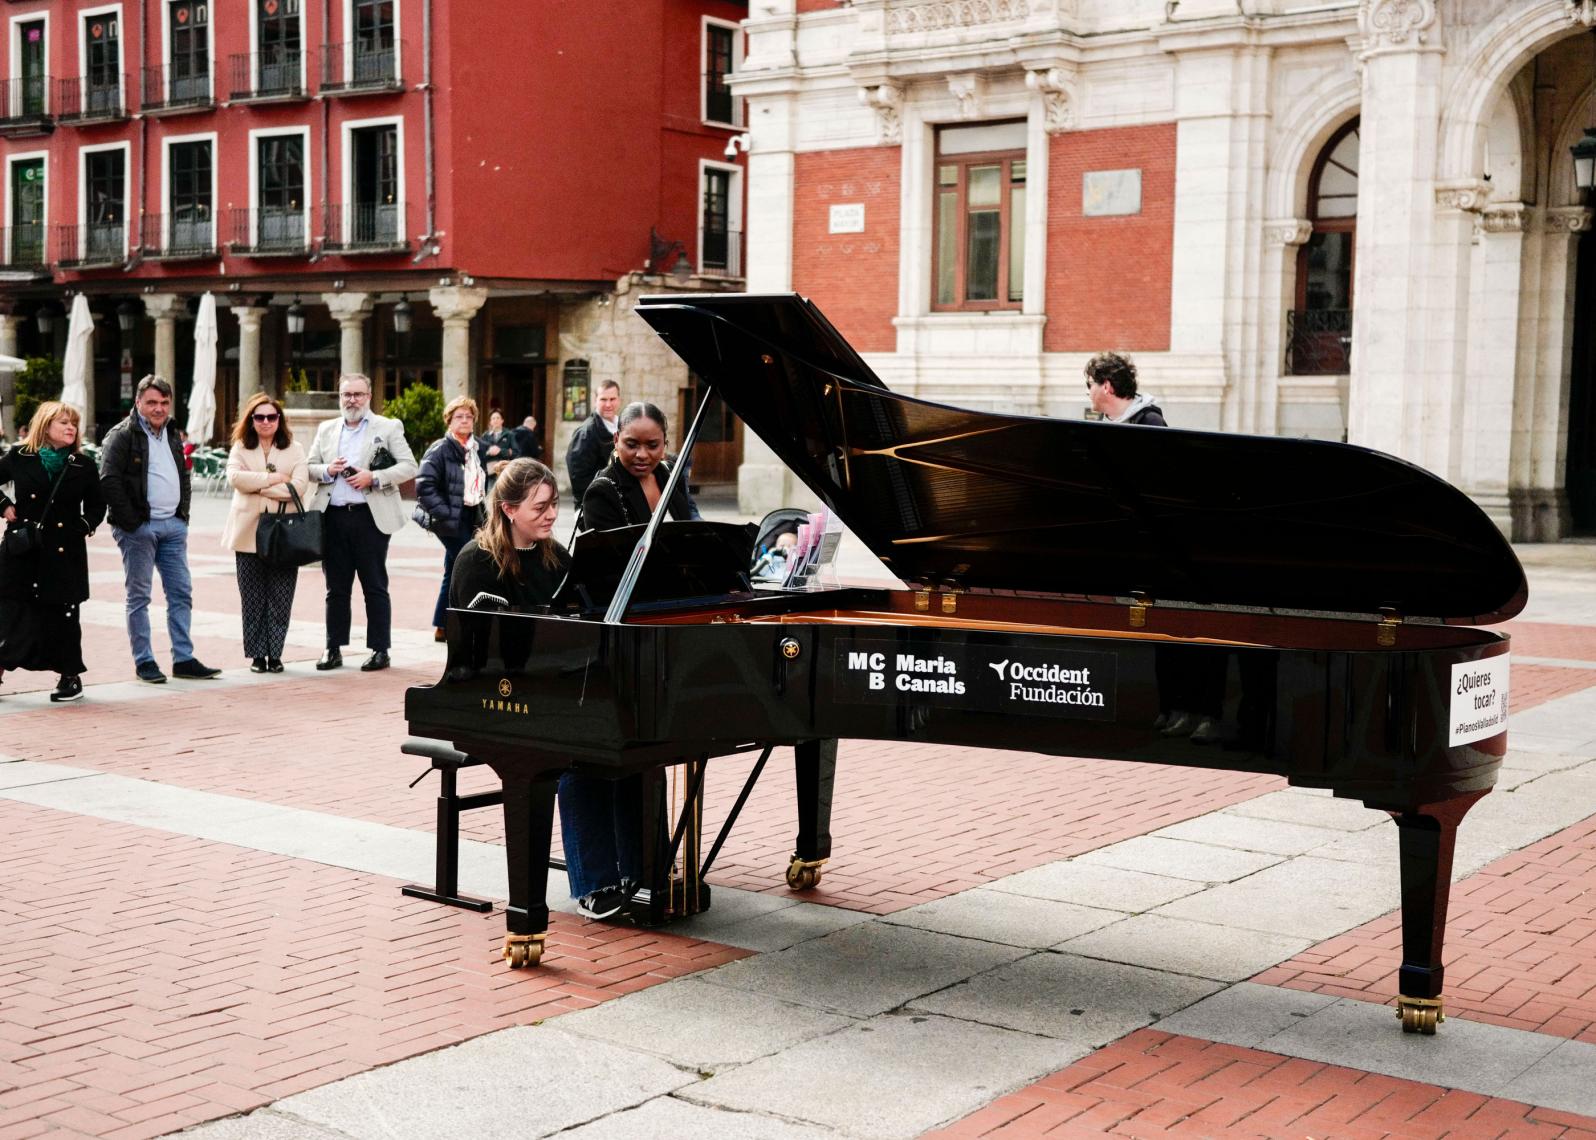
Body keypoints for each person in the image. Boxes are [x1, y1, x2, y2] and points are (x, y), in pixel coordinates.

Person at [448, 457, 638, 920]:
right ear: (509, 509)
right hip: (499, 693)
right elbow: (475, 651)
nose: (552, 515)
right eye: (541, 507)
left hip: (554, 688)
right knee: (577, 755)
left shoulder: (556, 556)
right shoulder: (477, 562)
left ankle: (640, 868)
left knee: (633, 748)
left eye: (555, 504)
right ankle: (595, 884)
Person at [100, 375, 222, 684]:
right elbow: (109, 480)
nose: (159, 408)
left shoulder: (171, 432)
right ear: (138, 402)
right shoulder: (123, 435)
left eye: (164, 402)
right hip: (139, 529)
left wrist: (183, 516)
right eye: (152, 402)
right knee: (139, 596)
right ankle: (145, 661)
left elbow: (182, 475)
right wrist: (133, 523)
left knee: (181, 592)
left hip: (173, 527)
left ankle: (183, 658)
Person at [305, 372, 419, 672]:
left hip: (371, 517)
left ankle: (380, 650)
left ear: (369, 396)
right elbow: (308, 467)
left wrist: (375, 477)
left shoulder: (387, 426)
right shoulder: (327, 429)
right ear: (340, 397)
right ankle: (333, 647)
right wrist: (328, 469)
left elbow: (410, 466)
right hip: (333, 516)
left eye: (357, 394)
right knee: (335, 587)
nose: (351, 400)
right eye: (346, 395)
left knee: (374, 585)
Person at [0, 402, 106, 702]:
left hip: (64, 551)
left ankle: (69, 675)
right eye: (64, 423)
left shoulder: (82, 465)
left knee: (64, 615)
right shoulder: (19, 457)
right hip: (24, 550)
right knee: (10, 611)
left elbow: (98, 504)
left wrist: (83, 526)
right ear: (45, 426)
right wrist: (3, 505)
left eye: (74, 423)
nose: (71, 428)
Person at [222, 394, 310, 674]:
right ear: (251, 420)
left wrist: (256, 485)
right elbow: (235, 478)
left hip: (285, 532)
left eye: (271, 416)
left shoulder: (294, 449)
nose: (265, 422)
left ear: (279, 420)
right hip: (248, 532)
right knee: (252, 597)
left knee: (281, 596)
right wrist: (273, 479)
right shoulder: (240, 447)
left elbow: (299, 486)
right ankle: (258, 655)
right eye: (259, 417)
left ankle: (276, 653)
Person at [417, 396, 489, 643]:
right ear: (449, 420)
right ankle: (461, 622)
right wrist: (445, 513)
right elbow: (424, 486)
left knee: (453, 569)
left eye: (469, 416)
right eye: (459, 416)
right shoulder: (441, 449)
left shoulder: (475, 448)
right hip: (451, 518)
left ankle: (442, 625)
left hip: (471, 514)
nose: (465, 420)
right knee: (467, 566)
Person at [579, 401, 701, 531]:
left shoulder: (673, 475)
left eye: (652, 445)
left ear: (664, 443)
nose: (642, 455)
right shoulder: (601, 493)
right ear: (616, 440)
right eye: (631, 445)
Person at [565, 379, 621, 500]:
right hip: (596, 503)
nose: (608, 404)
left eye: (612, 399)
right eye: (603, 399)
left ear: (619, 400)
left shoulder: (623, 426)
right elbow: (579, 478)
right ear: (595, 401)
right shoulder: (586, 433)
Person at [1085, 351, 1166, 425]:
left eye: (1089, 384)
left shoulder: (1150, 422)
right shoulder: (1100, 425)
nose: (1087, 392)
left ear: (1106, 386)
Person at [478, 409, 517, 479]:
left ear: (502, 420)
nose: (495, 420)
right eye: (493, 418)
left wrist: (500, 451)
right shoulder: (485, 436)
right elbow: (479, 454)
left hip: (505, 472)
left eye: (498, 418)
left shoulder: (509, 435)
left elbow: (516, 453)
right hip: (490, 473)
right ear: (490, 422)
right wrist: (489, 452)